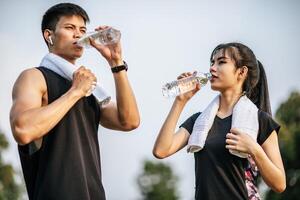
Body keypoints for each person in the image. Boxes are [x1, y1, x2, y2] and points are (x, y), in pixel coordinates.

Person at [9, 3, 140, 200]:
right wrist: (75, 91)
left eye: (82, 30)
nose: (78, 35)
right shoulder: (34, 77)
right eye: (69, 28)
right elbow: (23, 130)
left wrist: (116, 63)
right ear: (49, 35)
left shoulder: (88, 87)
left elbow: (129, 121)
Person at [153, 42, 286, 199]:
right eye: (212, 62)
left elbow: (280, 184)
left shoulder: (260, 121)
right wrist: (180, 101)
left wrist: (253, 148)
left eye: (221, 62)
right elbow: (161, 151)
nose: (212, 68)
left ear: (242, 72)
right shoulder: (199, 121)